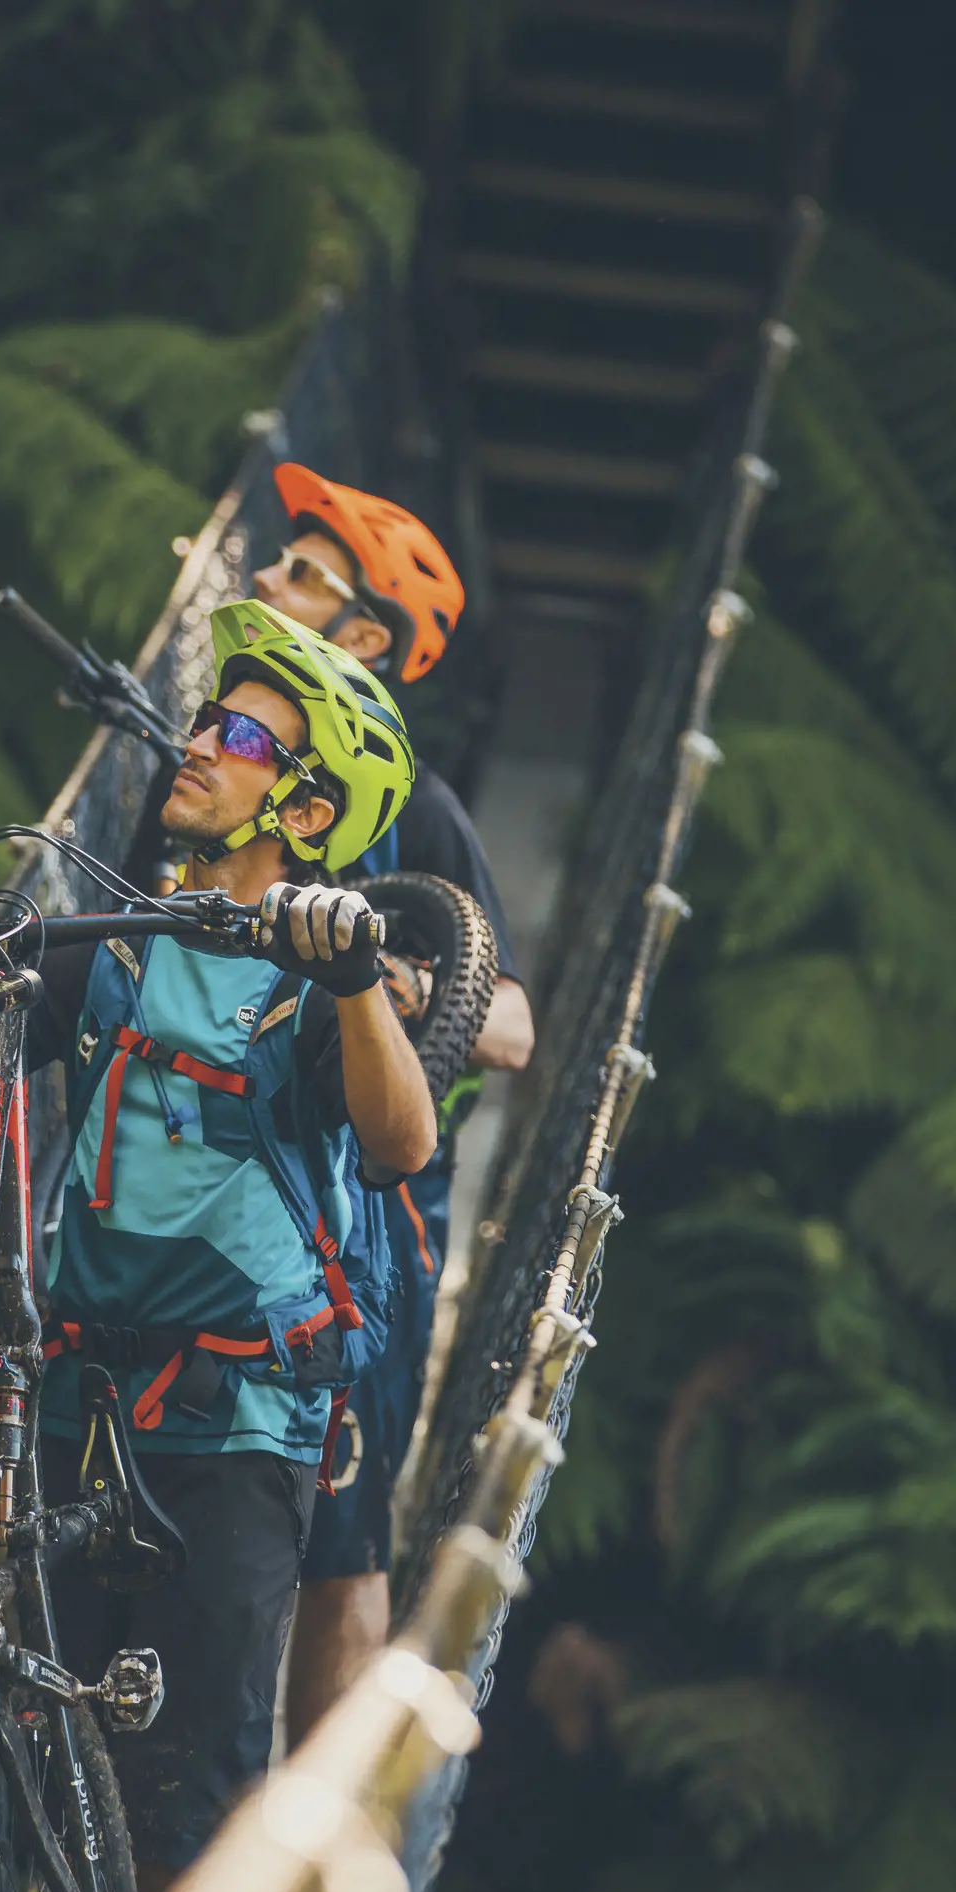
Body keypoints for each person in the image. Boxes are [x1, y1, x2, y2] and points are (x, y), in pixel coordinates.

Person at [35, 597, 435, 1892]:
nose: (193, 745)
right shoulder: (116, 936)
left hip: (234, 1436)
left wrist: (356, 977)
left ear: (305, 813)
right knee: (43, 1764)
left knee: (185, 1805)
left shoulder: (311, 986)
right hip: (71, 1406)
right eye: (202, 720)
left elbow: (399, 1146)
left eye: (241, 735)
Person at [248, 463, 536, 1739]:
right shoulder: (225, 759)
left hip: (369, 1221)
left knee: (343, 1535)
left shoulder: (412, 805)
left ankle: (308, 1874)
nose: (264, 578)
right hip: (223, 1178)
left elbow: (518, 1026)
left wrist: (400, 985)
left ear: (364, 637)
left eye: (302, 574)